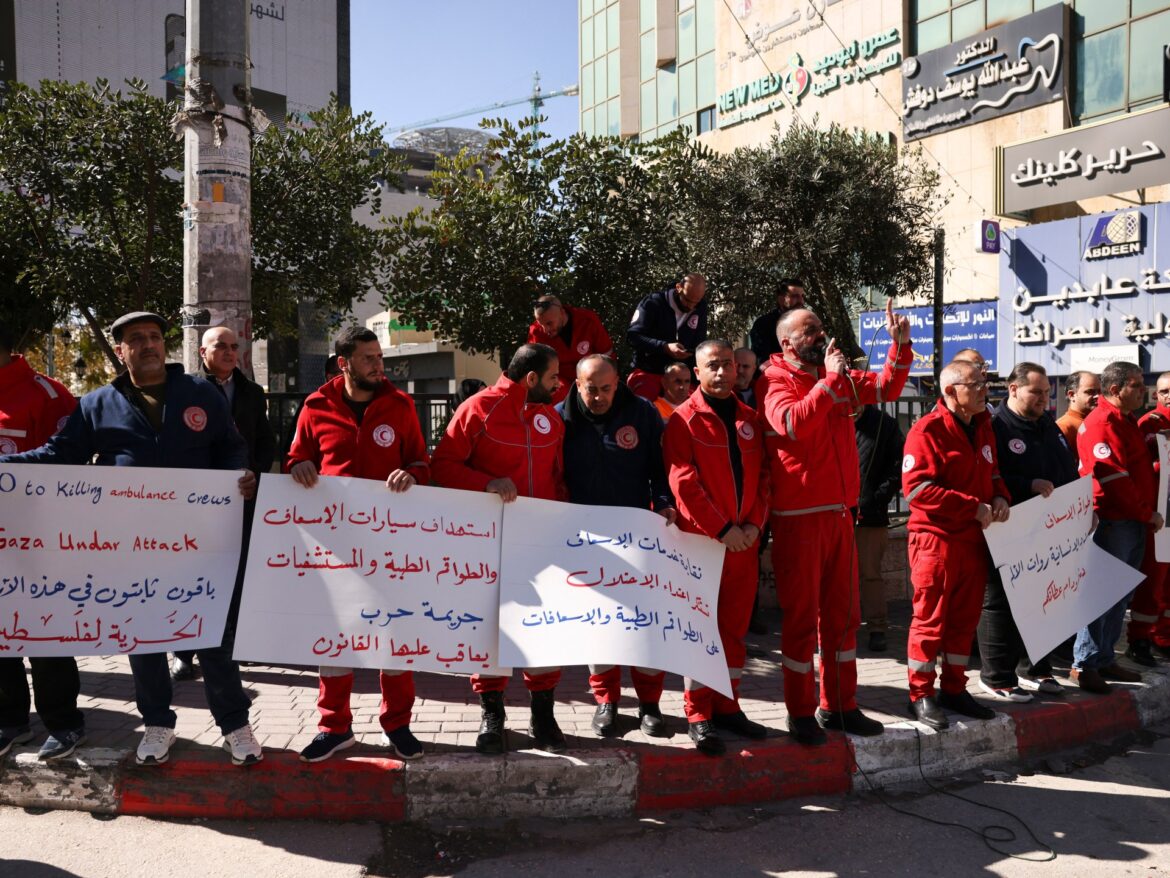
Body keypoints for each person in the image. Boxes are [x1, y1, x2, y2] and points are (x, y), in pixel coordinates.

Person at [0, 312, 261, 766]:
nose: (148, 344)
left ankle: (235, 725)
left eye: (155, 336)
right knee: (143, 638)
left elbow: (232, 446)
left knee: (214, 635)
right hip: (133, 549)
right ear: (121, 351)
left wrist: (240, 474)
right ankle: (157, 723)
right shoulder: (97, 404)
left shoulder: (201, 394)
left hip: (200, 543)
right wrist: (7, 467)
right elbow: (60, 454)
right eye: (136, 339)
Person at [759, 300, 911, 744]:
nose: (822, 335)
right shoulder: (773, 379)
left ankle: (840, 706)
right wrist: (827, 381)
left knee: (844, 619)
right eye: (810, 330)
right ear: (787, 343)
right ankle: (800, 713)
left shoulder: (836, 376)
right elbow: (792, 424)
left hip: (841, 516)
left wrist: (900, 347)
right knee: (802, 622)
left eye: (821, 327)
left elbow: (887, 388)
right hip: (799, 521)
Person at [286, 326, 431, 763]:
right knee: (335, 638)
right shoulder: (315, 407)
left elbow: (421, 462)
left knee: (395, 635)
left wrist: (412, 474)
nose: (377, 365)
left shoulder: (401, 405)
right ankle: (334, 727)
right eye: (368, 358)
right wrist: (300, 466)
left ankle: (397, 724)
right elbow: (297, 457)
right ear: (343, 363)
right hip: (336, 546)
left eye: (379, 356)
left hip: (392, 545)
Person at [430, 343, 569, 754]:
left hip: (541, 546)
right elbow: (443, 466)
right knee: (489, 628)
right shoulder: (478, 409)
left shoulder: (551, 418)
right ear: (531, 378)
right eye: (553, 377)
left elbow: (559, 479)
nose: (558, 384)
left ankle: (543, 714)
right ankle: (492, 714)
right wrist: (486, 483)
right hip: (487, 544)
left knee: (545, 626)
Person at [557, 354, 676, 738]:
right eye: (591, 389)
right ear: (577, 384)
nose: (599, 397)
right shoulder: (558, 418)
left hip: (636, 536)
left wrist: (664, 502)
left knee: (645, 625)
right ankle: (606, 701)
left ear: (618, 382)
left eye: (606, 389)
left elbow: (661, 467)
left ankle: (650, 705)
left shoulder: (642, 412)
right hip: (583, 539)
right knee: (599, 626)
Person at [663, 339, 769, 756]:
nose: (723, 372)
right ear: (698, 371)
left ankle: (728, 706)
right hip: (702, 546)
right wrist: (722, 529)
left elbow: (765, 479)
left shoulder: (750, 419)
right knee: (699, 632)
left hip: (743, 546)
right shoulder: (683, 420)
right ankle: (698, 714)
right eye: (714, 365)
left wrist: (754, 525)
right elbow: (683, 483)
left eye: (729, 364)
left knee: (733, 632)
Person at [902, 360, 1010, 730]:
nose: (984, 390)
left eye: (985, 383)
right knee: (930, 619)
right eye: (977, 384)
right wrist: (973, 507)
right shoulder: (927, 430)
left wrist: (1000, 496)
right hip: (937, 540)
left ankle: (954, 688)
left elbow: (993, 472)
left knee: (964, 620)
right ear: (951, 391)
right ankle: (920, 693)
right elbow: (917, 490)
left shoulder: (983, 425)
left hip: (973, 539)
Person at [172, 325, 277, 682]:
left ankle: (232, 644)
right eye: (221, 346)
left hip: (242, 498)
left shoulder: (251, 392)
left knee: (238, 573)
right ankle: (184, 653)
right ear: (203, 352)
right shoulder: (185, 390)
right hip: (196, 504)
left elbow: (264, 440)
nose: (230, 352)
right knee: (193, 575)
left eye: (234, 346)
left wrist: (254, 474)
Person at [0, 323, 85, 762]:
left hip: (38, 542)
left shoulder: (47, 394)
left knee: (44, 632)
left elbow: (70, 459)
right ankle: (10, 721)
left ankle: (64, 722)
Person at [977, 362, 1076, 701]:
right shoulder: (996, 427)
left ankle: (1035, 669)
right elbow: (990, 476)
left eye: (1047, 392)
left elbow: (1067, 471)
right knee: (1001, 604)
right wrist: (1027, 484)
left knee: (1043, 599)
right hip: (1009, 528)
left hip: (1048, 532)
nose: (1044, 399)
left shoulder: (1048, 425)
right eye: (1036, 392)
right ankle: (996, 676)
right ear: (1013, 389)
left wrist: (1083, 509)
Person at [1073, 361, 1161, 694]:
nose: (1143, 391)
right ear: (1115, 389)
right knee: (1101, 595)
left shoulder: (1125, 420)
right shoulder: (1103, 423)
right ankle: (1084, 664)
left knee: (1118, 594)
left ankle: (1104, 656)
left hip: (1131, 520)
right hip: (1114, 521)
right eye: (1136, 385)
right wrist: (1145, 514)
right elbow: (1113, 480)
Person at [854, 404, 904, 653]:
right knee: (834, 576)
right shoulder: (831, 416)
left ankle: (877, 627)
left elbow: (898, 466)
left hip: (870, 513)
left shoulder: (885, 423)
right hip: (834, 511)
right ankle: (839, 626)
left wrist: (877, 498)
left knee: (870, 573)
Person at [1130, 371, 1170, 665]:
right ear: (1156, 395)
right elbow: (1139, 470)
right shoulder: (1149, 423)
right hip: (1159, 518)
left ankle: (1164, 636)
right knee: (1153, 580)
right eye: (1164, 391)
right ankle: (1141, 638)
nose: (1169, 396)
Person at [626, 273, 708, 400]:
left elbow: (699, 344)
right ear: (678, 288)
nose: (691, 307)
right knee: (644, 405)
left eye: (695, 303)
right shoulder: (653, 303)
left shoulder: (701, 307)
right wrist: (664, 347)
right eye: (687, 300)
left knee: (697, 403)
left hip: (682, 376)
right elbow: (633, 337)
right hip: (649, 371)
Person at [527, 296, 614, 405]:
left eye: (549, 323)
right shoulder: (536, 332)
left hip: (592, 374)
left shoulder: (587, 320)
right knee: (556, 394)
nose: (545, 330)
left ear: (562, 312)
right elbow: (537, 368)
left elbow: (607, 354)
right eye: (541, 324)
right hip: (560, 380)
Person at [747, 278, 805, 362]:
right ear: (781, 299)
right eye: (795, 296)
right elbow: (762, 361)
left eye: (802, 296)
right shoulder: (764, 324)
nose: (801, 301)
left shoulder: (807, 323)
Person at [1056, 371, 1101, 465]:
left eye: (1099, 392)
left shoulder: (1100, 421)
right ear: (1072, 395)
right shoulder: (1064, 427)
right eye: (1090, 392)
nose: (1098, 396)